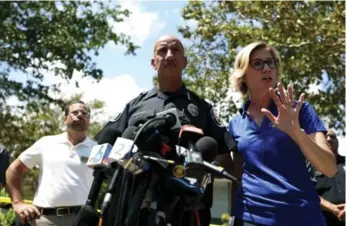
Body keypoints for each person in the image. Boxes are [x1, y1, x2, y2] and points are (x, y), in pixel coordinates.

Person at [95, 35, 237, 226]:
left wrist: (202, 177)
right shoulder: (135, 105)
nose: (169, 55)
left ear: (185, 62)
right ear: (153, 63)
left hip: (184, 212)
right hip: (132, 209)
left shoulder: (201, 108)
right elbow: (106, 141)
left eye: (175, 50)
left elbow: (224, 154)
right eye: (162, 51)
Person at [228, 42, 337, 226]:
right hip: (249, 218)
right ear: (243, 74)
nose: (267, 69)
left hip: (301, 217)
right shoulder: (235, 123)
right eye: (257, 63)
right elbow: (238, 176)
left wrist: (296, 131)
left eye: (271, 63)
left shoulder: (300, 110)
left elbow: (329, 168)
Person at [6, 101, 96, 226]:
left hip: (81, 221)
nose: (80, 115)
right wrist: (18, 203)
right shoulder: (46, 143)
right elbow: (14, 170)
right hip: (43, 219)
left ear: (88, 120)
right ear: (65, 119)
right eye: (75, 112)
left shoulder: (97, 150)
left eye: (84, 113)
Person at [314, 129, 345, 226]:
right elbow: (305, 193)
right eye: (325, 137)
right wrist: (331, 208)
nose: (329, 139)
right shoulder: (309, 167)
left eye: (332, 136)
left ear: (338, 141)